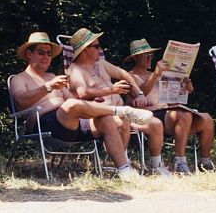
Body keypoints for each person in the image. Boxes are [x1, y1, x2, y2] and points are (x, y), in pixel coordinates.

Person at [10, 31, 152, 179]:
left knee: (107, 120)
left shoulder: (52, 77)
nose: (46, 57)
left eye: (49, 53)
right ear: (29, 54)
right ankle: (122, 110)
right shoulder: (19, 79)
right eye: (41, 52)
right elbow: (21, 101)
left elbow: (72, 99)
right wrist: (47, 87)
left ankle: (125, 171)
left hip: (71, 122)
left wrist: (90, 104)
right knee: (72, 105)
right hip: (46, 125)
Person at [67, 28, 172, 176]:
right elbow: (82, 93)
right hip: (100, 116)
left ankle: (157, 165)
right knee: (123, 121)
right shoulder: (75, 70)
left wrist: (139, 93)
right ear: (85, 50)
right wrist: (111, 90)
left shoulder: (101, 64)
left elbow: (124, 74)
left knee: (156, 124)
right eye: (96, 46)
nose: (100, 49)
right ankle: (124, 164)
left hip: (123, 112)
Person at [126, 39, 216, 173]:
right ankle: (180, 161)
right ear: (135, 57)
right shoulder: (129, 76)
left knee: (207, 119)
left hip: (167, 114)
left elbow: (170, 100)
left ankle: (205, 162)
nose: (149, 58)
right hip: (148, 116)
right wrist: (156, 74)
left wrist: (184, 89)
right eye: (145, 55)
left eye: (151, 54)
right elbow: (140, 93)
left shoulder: (157, 75)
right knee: (183, 114)